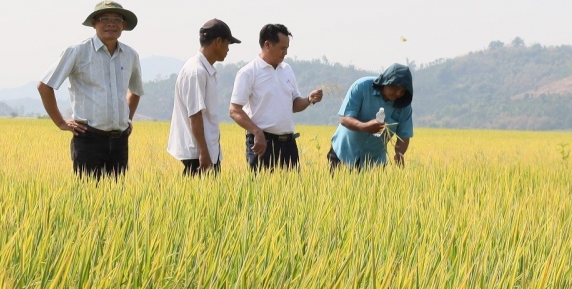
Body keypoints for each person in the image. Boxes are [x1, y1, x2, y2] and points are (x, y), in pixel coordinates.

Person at [38, 0, 145, 179]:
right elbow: (45, 86)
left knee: (118, 193)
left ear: (123, 25)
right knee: (88, 193)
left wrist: (127, 119)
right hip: (89, 139)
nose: (111, 23)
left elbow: (135, 90)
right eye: (105, 19)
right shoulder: (78, 51)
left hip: (120, 141)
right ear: (94, 23)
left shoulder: (130, 55)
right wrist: (61, 123)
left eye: (116, 20)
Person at [230, 24, 323, 170]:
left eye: (287, 48)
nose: (285, 53)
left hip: (288, 144)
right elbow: (234, 110)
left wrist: (309, 100)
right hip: (262, 143)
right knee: (262, 184)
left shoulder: (287, 70)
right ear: (267, 44)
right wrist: (257, 132)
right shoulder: (248, 72)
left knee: (292, 185)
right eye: (282, 48)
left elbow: (294, 104)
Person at [166, 19, 239, 175]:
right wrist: (203, 153)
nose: (228, 49)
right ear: (218, 42)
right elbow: (195, 115)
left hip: (208, 151)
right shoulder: (196, 71)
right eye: (227, 44)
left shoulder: (204, 70)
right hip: (198, 155)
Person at [329, 64, 414, 170]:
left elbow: (404, 135)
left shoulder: (404, 105)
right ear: (385, 82)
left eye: (403, 91)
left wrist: (399, 153)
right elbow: (344, 119)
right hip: (344, 153)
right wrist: (364, 126)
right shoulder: (362, 87)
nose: (398, 93)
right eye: (395, 88)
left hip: (375, 161)